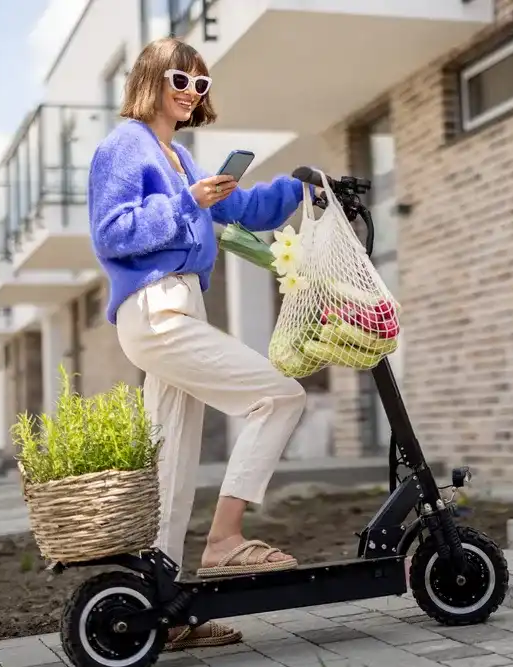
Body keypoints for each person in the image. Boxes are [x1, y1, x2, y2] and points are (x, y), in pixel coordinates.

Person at [87, 36, 314, 649]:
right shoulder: (124, 148)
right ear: (150, 81)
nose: (191, 93)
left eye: (201, 84)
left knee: (171, 465)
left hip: (180, 306)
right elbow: (112, 235)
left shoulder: (181, 158)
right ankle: (225, 541)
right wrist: (185, 203)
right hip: (156, 310)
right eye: (180, 81)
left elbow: (243, 211)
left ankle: (164, 612)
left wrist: (302, 188)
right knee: (280, 397)